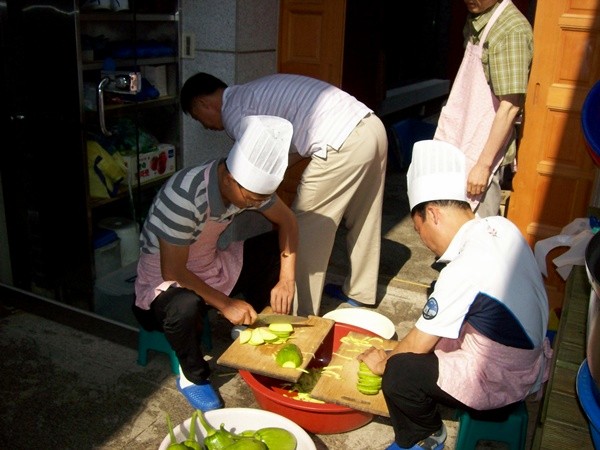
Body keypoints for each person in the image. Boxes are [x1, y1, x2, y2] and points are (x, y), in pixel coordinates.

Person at [358, 140, 553, 450]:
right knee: (431, 327)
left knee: (400, 373)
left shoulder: (465, 266)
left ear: (433, 214)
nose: (423, 241)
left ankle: (425, 435)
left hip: (502, 379)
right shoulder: (499, 226)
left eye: (418, 229)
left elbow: (417, 345)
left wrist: (383, 363)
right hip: (526, 358)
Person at [180, 72, 388, 316]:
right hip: (371, 125)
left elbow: (248, 180)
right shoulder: (253, 92)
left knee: (306, 227)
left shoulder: (237, 114)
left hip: (340, 142)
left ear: (202, 104)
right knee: (365, 215)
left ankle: (299, 313)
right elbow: (283, 154)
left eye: (198, 117)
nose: (206, 126)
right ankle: (360, 292)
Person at [132, 115, 298, 411]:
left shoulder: (249, 189)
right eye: (251, 199)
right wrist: (226, 304)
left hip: (210, 265)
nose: (254, 205)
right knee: (185, 306)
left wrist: (286, 280)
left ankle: (254, 327)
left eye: (260, 199)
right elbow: (173, 271)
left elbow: (288, 222)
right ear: (228, 179)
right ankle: (192, 376)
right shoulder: (185, 195)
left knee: (274, 249)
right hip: (164, 279)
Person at [434, 0, 533, 217]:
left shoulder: (511, 30)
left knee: (478, 229)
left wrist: (482, 166)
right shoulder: (478, 18)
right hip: (460, 140)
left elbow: (510, 106)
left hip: (483, 153)